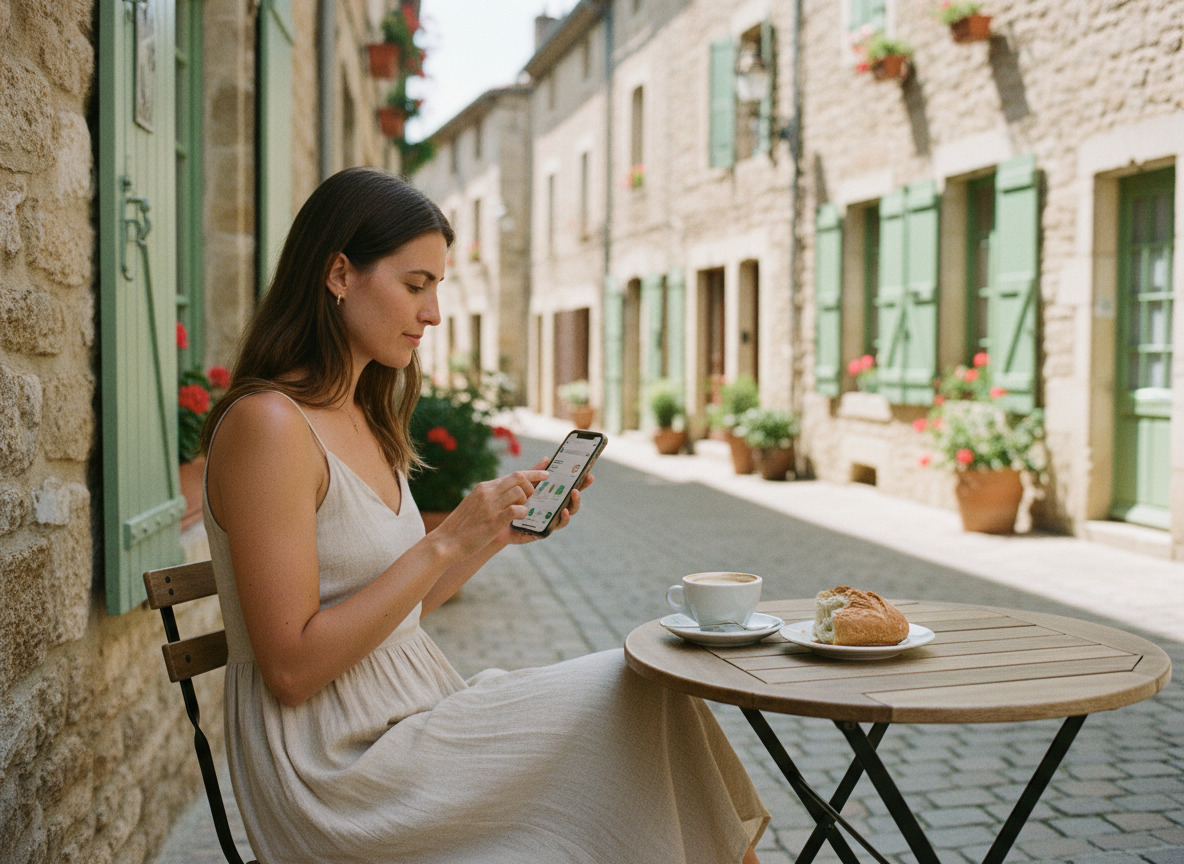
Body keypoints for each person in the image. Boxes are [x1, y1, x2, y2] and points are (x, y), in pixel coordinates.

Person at [200, 166, 769, 863]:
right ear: (339, 274)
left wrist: (490, 537)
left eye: (437, 287)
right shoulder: (269, 428)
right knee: (630, 693)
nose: (433, 313)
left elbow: (395, 611)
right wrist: (444, 544)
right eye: (416, 285)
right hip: (337, 770)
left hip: (413, 722)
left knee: (645, 698)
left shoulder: (362, 415)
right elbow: (289, 668)